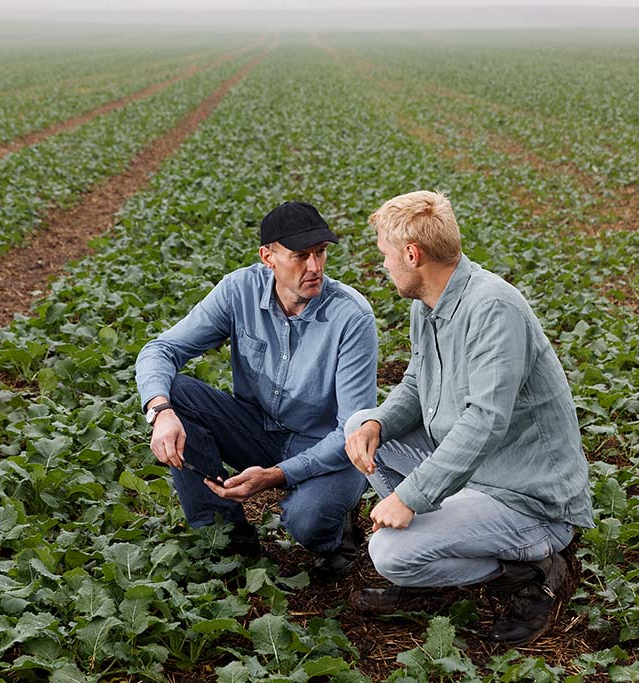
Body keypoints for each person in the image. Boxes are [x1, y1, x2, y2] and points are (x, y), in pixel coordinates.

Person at [344, 190, 594, 644]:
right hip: (472, 470)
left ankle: (533, 571)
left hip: (524, 495)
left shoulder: (493, 308)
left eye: (385, 255)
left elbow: (485, 421)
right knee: (360, 426)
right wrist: (377, 423)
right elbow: (417, 386)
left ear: (412, 254)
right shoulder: (428, 305)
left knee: (390, 554)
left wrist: (411, 497)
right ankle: (439, 560)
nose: (383, 266)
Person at [136, 201, 377, 578]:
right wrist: (160, 411)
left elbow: (352, 427)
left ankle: (337, 534)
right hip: (257, 429)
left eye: (321, 253)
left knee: (306, 518)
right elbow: (161, 349)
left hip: (327, 444)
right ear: (269, 257)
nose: (314, 267)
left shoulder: (351, 318)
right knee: (177, 394)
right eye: (300, 256)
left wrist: (277, 475)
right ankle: (226, 538)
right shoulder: (238, 291)